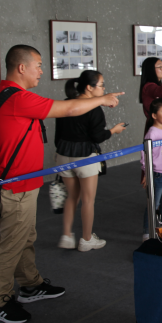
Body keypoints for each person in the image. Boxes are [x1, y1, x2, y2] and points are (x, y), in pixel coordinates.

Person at [0, 45, 123, 323]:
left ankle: (30, 284)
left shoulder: (10, 95)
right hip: (16, 185)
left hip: (25, 183)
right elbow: (70, 108)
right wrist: (102, 99)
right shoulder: (17, 97)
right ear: (21, 67)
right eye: (38, 65)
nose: (41, 71)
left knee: (25, 237)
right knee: (11, 243)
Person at [56, 70, 127, 252]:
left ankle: (67, 235)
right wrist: (113, 130)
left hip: (63, 155)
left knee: (72, 196)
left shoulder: (65, 104)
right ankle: (86, 239)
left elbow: (58, 136)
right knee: (88, 200)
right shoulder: (94, 109)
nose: (104, 89)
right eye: (101, 85)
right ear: (89, 87)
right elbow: (98, 136)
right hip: (85, 157)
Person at [140, 98, 162, 242]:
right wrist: (146, 173)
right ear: (154, 115)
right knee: (153, 205)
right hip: (158, 174)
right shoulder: (152, 133)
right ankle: (147, 233)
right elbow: (145, 154)